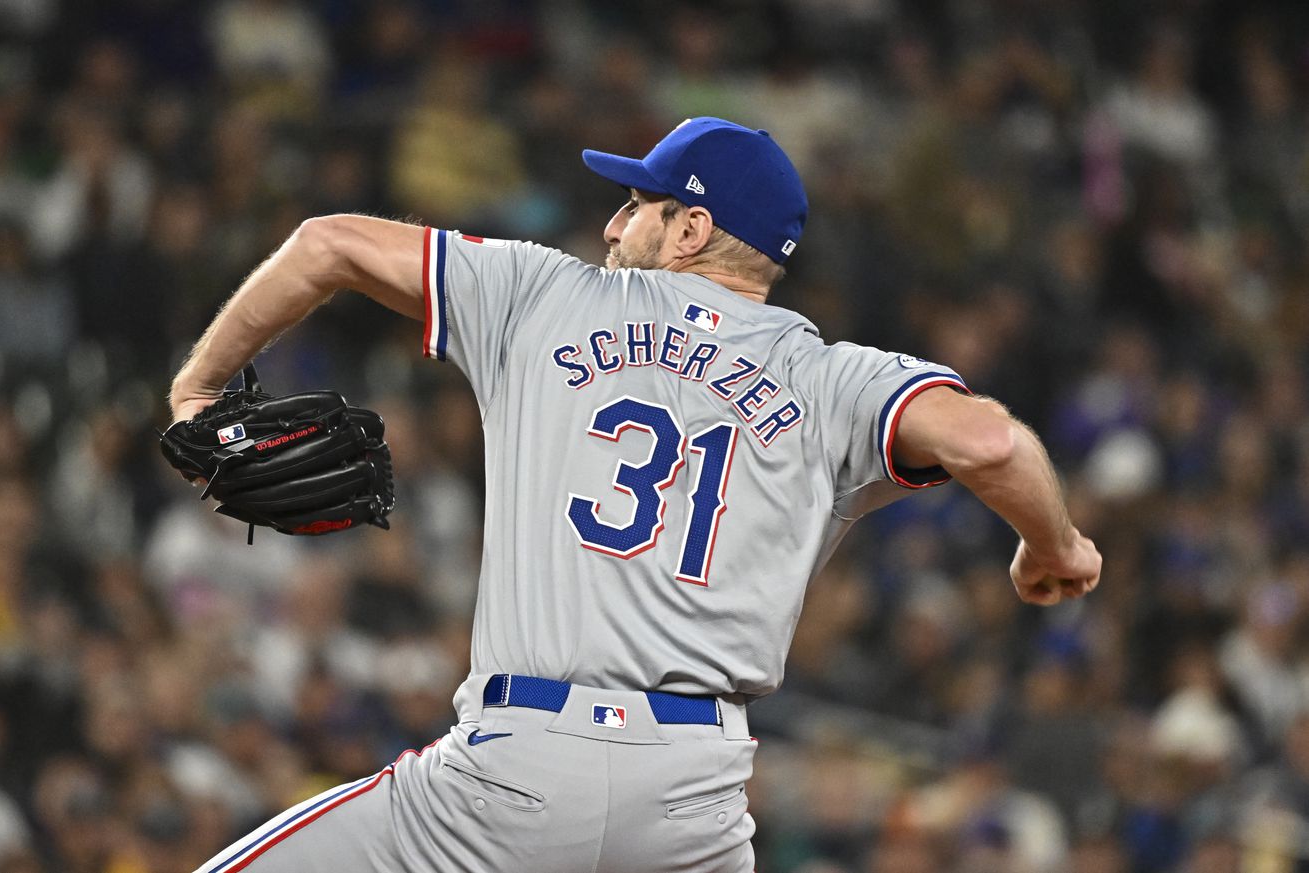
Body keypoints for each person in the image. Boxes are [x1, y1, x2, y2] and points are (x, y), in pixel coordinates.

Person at [169, 117, 1101, 873]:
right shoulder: (830, 378)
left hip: (514, 776)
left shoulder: (546, 295)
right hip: (694, 802)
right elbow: (987, 440)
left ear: (690, 229)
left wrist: (199, 390)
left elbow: (324, 243)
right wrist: (1051, 545)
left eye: (637, 203)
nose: (614, 225)